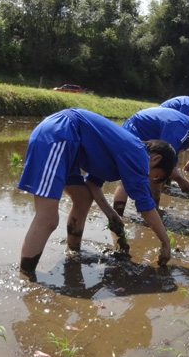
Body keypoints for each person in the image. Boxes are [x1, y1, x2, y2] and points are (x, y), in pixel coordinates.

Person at [17, 107, 176, 275]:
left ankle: (73, 250)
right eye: (155, 176)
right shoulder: (138, 155)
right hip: (61, 135)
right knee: (48, 219)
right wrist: (165, 243)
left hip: (70, 146)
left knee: (83, 198)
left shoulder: (122, 150)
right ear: (155, 158)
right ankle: (25, 275)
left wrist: (112, 215)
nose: (148, 179)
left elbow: (92, 184)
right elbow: (146, 207)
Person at [115, 107, 189, 215]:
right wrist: (179, 180)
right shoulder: (178, 132)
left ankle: (141, 212)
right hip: (134, 132)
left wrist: (180, 179)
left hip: (142, 135)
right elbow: (163, 164)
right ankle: (118, 217)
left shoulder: (187, 130)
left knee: (151, 174)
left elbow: (171, 164)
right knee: (134, 176)